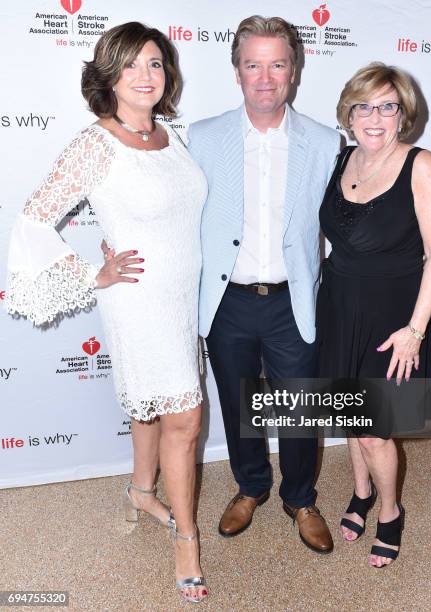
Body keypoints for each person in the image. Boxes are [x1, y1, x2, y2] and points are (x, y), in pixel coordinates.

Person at [6, 22, 208, 603]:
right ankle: (187, 542)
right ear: (108, 76)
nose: (146, 76)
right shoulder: (94, 143)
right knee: (185, 419)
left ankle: (143, 491)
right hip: (139, 300)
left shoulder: (171, 133)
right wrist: (91, 274)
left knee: (153, 405)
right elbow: (34, 217)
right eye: (131, 65)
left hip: (181, 298)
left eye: (154, 63)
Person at [188, 16, 340, 553]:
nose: (266, 77)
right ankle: (251, 485)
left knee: (301, 408)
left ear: (293, 70)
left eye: (277, 64)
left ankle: (300, 497)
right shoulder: (202, 137)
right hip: (227, 301)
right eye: (253, 64)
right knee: (237, 401)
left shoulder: (325, 142)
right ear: (236, 72)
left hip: (292, 301)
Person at [316, 62, 431, 567]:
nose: (375, 117)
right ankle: (361, 493)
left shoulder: (423, 166)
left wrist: (415, 331)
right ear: (348, 114)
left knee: (374, 428)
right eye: (363, 106)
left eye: (387, 106)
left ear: (403, 115)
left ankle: (390, 512)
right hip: (339, 304)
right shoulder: (341, 160)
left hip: (395, 319)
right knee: (352, 415)